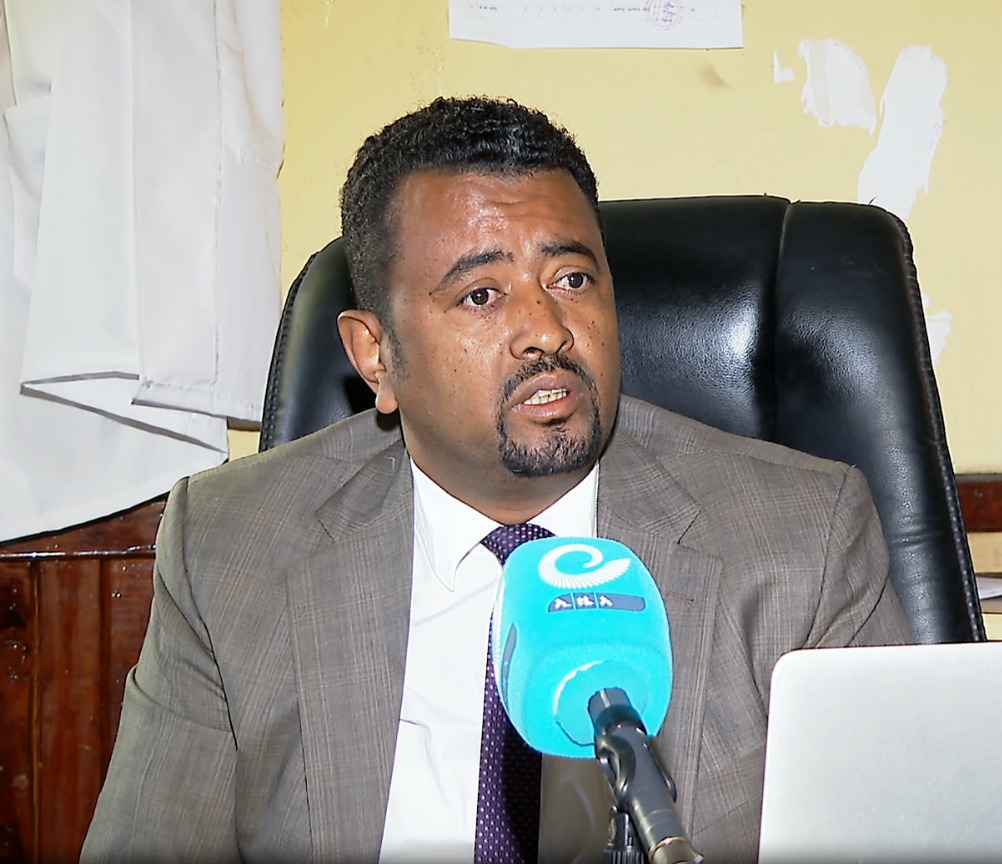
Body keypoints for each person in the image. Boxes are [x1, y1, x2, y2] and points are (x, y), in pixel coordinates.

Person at [81, 96, 912, 864]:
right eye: (481, 294)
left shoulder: (802, 539)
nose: (546, 330)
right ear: (376, 355)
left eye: (572, 279)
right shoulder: (230, 547)